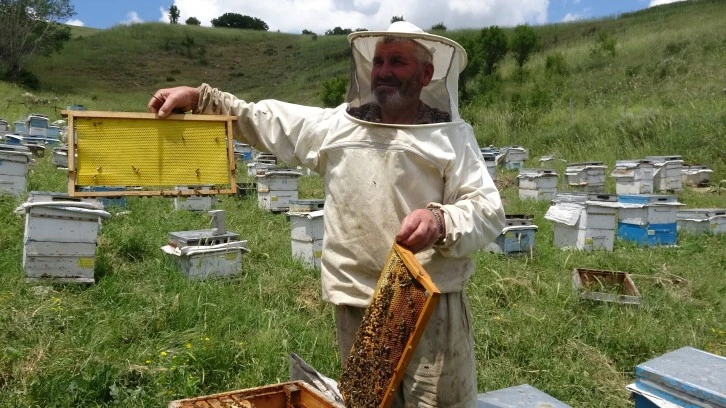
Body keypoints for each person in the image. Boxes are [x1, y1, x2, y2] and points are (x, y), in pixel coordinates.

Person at [148, 21, 505, 407]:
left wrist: (440, 222)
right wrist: (201, 99)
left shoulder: (451, 135)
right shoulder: (338, 125)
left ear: (426, 74)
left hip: (431, 305)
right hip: (356, 303)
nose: (383, 71)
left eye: (397, 62)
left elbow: (487, 209)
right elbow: (266, 120)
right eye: (379, 61)